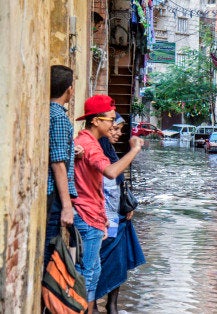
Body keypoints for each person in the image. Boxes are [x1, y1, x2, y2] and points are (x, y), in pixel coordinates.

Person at [72, 95, 144, 314]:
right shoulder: (90, 145)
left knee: (92, 270)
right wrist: (134, 150)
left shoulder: (86, 143)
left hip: (94, 215)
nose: (113, 125)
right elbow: (111, 172)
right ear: (95, 121)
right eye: (110, 120)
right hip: (87, 215)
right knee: (88, 271)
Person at [96, 113, 146, 314]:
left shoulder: (108, 150)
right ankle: (100, 305)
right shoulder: (96, 150)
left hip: (116, 216)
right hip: (104, 218)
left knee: (118, 262)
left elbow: (117, 184)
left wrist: (127, 206)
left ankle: (111, 305)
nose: (118, 134)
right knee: (104, 263)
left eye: (120, 130)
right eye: (114, 129)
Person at [45, 65, 84, 266]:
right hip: (54, 197)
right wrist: (67, 207)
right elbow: (58, 164)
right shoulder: (59, 117)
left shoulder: (47, 113)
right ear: (69, 89)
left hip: (51, 195)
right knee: (49, 253)